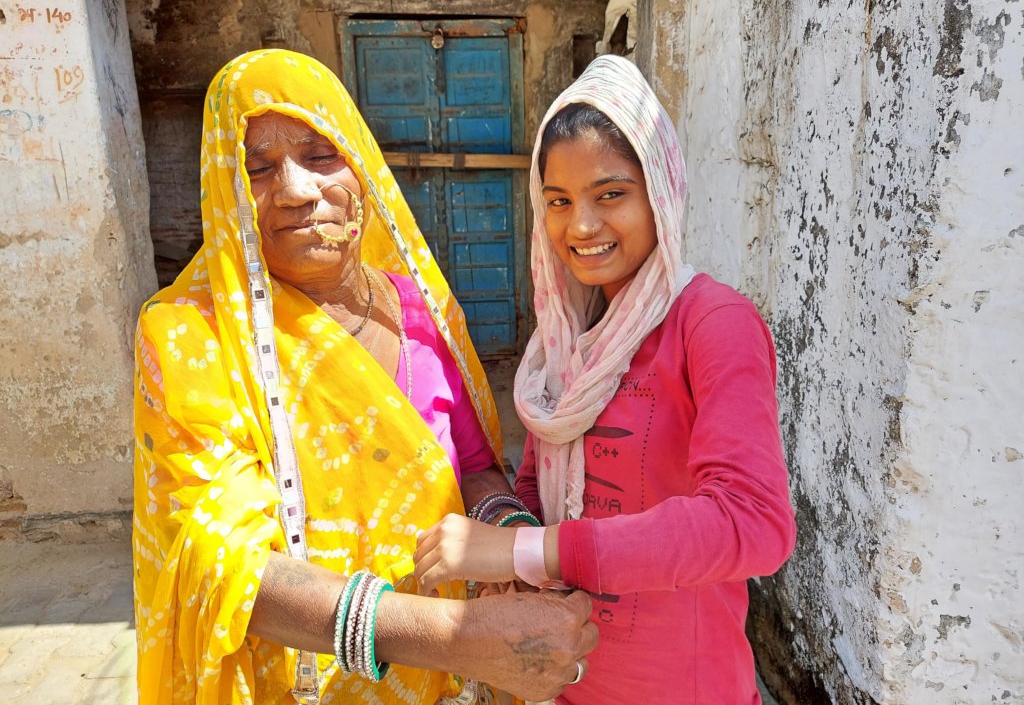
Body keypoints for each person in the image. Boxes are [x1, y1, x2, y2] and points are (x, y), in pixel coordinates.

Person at [131, 49, 597, 705]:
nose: (295, 189)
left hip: (449, 683)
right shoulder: (190, 337)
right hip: (302, 684)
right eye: (257, 168)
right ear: (223, 186)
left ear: (362, 165)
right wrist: (458, 636)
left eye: (321, 155)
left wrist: (512, 543)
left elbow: (471, 466)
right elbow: (225, 566)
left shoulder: (418, 307)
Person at [413, 55, 797, 704]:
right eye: (558, 201)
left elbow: (753, 522)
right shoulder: (566, 340)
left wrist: (521, 552)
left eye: (610, 194)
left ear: (661, 193)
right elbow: (537, 480)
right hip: (570, 681)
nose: (582, 225)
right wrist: (510, 535)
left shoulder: (711, 323)